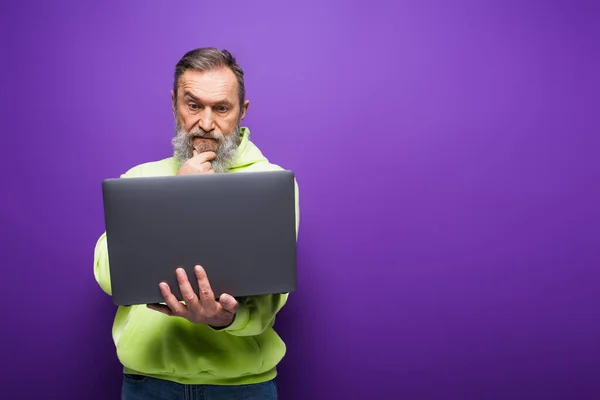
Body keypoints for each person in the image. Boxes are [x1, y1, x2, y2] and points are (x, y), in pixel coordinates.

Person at [93, 47, 299, 400]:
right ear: (175, 104)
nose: (206, 123)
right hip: (148, 384)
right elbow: (109, 275)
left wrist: (224, 319)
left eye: (221, 108)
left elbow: (270, 297)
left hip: (243, 387)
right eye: (193, 105)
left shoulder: (273, 183)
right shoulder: (139, 179)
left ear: (242, 111)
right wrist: (177, 193)